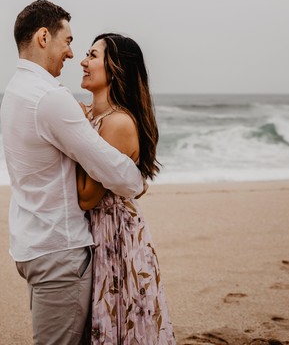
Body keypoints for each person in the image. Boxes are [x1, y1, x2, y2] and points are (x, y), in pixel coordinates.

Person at [0, 1, 146, 345]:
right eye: (67, 42)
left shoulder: (15, 91)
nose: (71, 54)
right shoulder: (49, 98)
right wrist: (136, 179)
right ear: (43, 37)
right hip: (59, 250)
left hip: (31, 243)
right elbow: (111, 169)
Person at [77, 33, 176, 344]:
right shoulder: (93, 116)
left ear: (115, 67)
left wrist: (78, 132)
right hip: (99, 235)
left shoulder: (118, 123)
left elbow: (87, 197)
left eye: (92, 55)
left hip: (115, 238)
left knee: (120, 323)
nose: (83, 61)